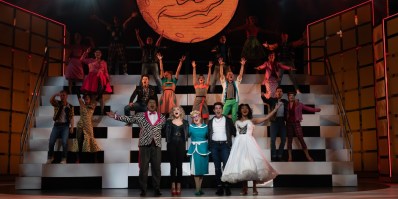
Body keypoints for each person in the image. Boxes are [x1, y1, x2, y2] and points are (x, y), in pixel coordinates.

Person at [106, 97, 165, 197]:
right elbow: (129, 119)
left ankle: (157, 189)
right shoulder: (140, 115)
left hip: (156, 145)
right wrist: (115, 116)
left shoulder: (162, 117)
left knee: (157, 168)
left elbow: (163, 128)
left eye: (153, 103)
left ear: (156, 105)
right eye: (150, 102)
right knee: (143, 168)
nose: (152, 104)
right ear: (147, 105)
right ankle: (143, 189)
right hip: (144, 145)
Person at [221, 103, 279, 195]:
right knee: (243, 166)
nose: (244, 110)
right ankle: (244, 188)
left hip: (250, 144)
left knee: (253, 166)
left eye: (246, 108)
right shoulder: (235, 121)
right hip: (239, 145)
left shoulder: (252, 120)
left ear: (249, 110)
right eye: (242, 108)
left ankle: (255, 188)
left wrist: (275, 110)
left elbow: (266, 118)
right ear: (240, 110)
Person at [208, 102, 236, 196]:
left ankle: (227, 186)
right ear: (214, 110)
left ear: (222, 109)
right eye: (216, 108)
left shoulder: (228, 120)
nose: (218, 110)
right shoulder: (210, 121)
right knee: (217, 167)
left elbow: (234, 132)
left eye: (220, 108)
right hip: (214, 146)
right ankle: (219, 186)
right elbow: (208, 134)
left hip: (225, 145)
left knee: (226, 166)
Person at [286, 92, 321, 162]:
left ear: (294, 97)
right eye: (290, 96)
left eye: (292, 96)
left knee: (301, 139)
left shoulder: (298, 104)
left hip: (296, 123)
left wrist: (316, 110)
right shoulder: (286, 105)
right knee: (289, 140)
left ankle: (308, 156)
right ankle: (290, 157)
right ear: (288, 97)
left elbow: (307, 108)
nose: (291, 97)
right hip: (289, 124)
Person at [163, 106, 189, 196]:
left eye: (178, 109)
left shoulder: (185, 122)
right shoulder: (168, 122)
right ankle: (173, 186)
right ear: (172, 112)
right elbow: (164, 132)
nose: (176, 111)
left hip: (181, 145)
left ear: (181, 111)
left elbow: (187, 135)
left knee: (180, 166)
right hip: (171, 145)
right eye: (174, 110)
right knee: (173, 166)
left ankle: (179, 186)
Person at [69, 93, 101, 163]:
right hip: (80, 124)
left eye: (88, 98)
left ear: (90, 99)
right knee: (78, 141)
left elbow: (98, 97)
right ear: (83, 99)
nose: (86, 99)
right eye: (85, 98)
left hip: (88, 125)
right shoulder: (82, 104)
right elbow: (78, 95)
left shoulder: (93, 105)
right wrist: (80, 96)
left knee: (91, 140)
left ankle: (95, 159)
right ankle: (77, 159)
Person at [80, 48, 112, 115]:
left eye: (99, 52)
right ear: (94, 54)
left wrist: (107, 79)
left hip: (100, 80)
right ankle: (91, 112)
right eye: (96, 52)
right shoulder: (90, 60)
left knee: (100, 96)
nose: (97, 54)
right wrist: (86, 52)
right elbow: (82, 60)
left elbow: (106, 72)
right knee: (93, 97)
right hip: (92, 80)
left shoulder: (103, 62)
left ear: (101, 54)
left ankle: (102, 111)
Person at [261, 86, 288, 161]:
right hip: (274, 121)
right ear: (275, 93)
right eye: (278, 91)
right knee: (272, 139)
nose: (279, 92)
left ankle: (279, 154)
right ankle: (273, 155)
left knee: (283, 139)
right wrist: (262, 96)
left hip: (282, 121)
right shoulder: (272, 100)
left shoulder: (285, 101)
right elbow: (265, 100)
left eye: (280, 91)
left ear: (282, 93)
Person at [46, 90, 74, 164]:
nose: (62, 97)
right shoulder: (57, 103)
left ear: (67, 96)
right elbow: (51, 100)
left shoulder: (70, 106)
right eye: (61, 95)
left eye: (64, 95)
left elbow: (71, 117)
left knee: (64, 142)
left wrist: (72, 127)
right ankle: (50, 157)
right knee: (51, 142)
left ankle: (64, 158)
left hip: (65, 126)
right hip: (57, 125)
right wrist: (55, 94)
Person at [187, 110, 210, 196]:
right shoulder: (190, 127)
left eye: (197, 116)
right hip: (194, 150)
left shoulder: (206, 126)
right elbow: (186, 135)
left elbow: (209, 136)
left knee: (201, 170)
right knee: (196, 170)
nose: (195, 118)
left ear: (200, 117)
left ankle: (199, 188)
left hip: (204, 150)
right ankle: (197, 189)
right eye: (193, 117)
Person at [136, 28, 164, 93]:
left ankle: (161, 90)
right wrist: (137, 35)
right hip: (145, 64)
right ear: (146, 41)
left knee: (157, 77)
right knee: (143, 77)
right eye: (148, 39)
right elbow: (139, 41)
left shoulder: (155, 47)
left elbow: (158, 42)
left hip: (153, 63)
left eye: (150, 40)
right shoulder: (144, 47)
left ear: (152, 41)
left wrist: (161, 35)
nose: (149, 40)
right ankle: (140, 90)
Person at [220, 57, 246, 122]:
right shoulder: (224, 83)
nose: (230, 75)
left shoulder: (236, 83)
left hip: (235, 101)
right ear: (227, 77)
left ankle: (234, 128)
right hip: (227, 101)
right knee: (223, 115)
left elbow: (240, 75)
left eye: (231, 74)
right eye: (229, 74)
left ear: (233, 76)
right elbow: (221, 74)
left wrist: (242, 65)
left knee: (234, 116)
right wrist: (221, 65)